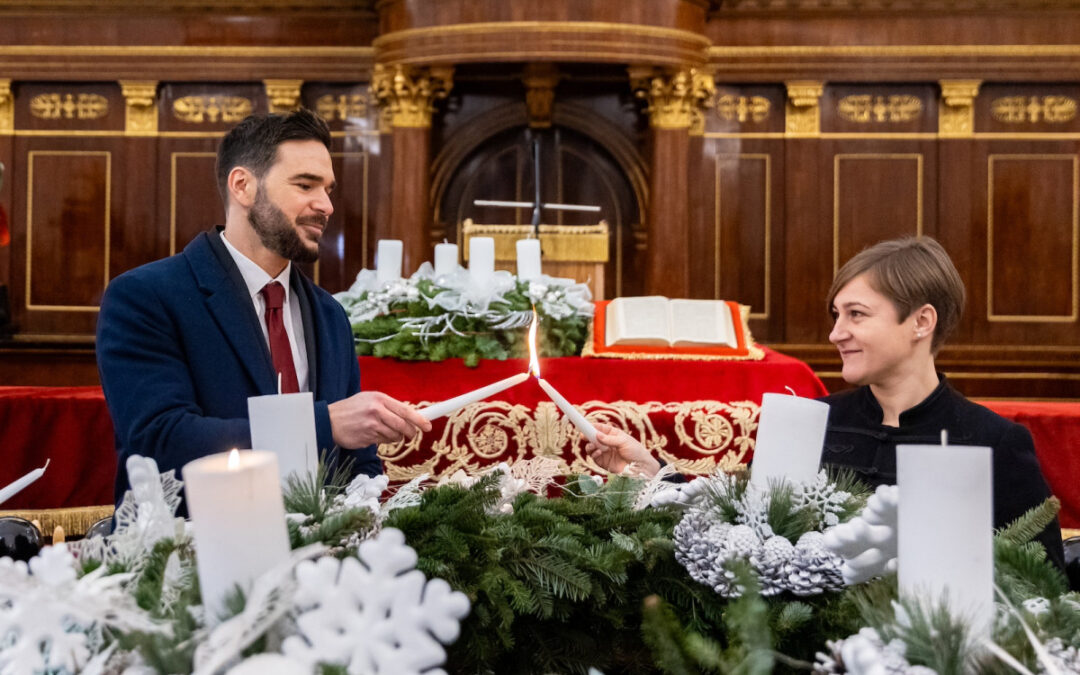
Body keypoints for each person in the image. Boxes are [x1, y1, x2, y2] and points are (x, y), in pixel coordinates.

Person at [585, 237, 1064, 570]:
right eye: (836, 315)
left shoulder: (993, 442)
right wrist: (653, 469)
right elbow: (742, 516)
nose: (836, 333)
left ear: (921, 322)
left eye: (856, 315)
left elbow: (1042, 587)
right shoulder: (814, 421)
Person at [97, 109, 430, 511]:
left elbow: (356, 462)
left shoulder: (330, 315)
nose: (325, 205)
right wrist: (323, 424)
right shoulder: (145, 297)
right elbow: (160, 441)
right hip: (187, 556)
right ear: (243, 186)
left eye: (328, 189)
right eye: (305, 185)